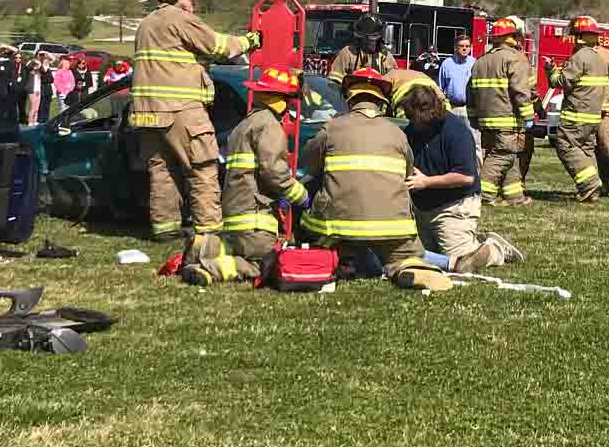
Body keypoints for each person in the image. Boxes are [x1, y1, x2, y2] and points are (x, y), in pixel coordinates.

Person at [128, 0, 257, 255]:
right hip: (180, 110)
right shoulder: (180, 19)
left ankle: (165, 228)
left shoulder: (147, 23)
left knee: (162, 170)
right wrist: (251, 40)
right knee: (202, 167)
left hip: (147, 113)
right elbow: (219, 46)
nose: (195, 3)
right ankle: (209, 230)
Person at [298, 69, 448, 291]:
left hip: (341, 224)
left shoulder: (332, 128)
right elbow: (408, 174)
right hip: (393, 227)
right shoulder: (397, 133)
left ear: (350, 98)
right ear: (381, 101)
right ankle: (407, 266)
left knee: (318, 226)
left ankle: (342, 258)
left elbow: (309, 163)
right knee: (404, 254)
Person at [182, 65, 310, 286]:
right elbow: (274, 171)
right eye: (289, 100)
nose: (289, 106)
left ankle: (204, 246)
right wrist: (300, 196)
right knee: (264, 263)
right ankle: (208, 269)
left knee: (239, 247)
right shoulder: (269, 125)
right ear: (280, 100)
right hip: (255, 221)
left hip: (235, 218)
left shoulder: (243, 126)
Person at [401, 80, 502, 273]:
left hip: (454, 206)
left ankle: (495, 250)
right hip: (423, 210)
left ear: (427, 113)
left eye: (412, 117)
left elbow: (466, 177)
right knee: (424, 257)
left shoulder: (456, 131)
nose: (410, 120)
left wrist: (426, 182)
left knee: (460, 262)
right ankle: (474, 240)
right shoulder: (413, 129)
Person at [546, 17, 609, 202]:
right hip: (595, 114)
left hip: (602, 114)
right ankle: (600, 187)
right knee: (591, 150)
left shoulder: (603, 56)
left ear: (580, 36)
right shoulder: (593, 56)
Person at [467, 17, 538, 206]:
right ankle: (484, 195)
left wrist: (474, 118)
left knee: (507, 155)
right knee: (503, 155)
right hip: (506, 119)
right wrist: (528, 115)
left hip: (485, 121)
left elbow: (470, 92)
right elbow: (520, 90)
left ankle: (515, 196)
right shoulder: (515, 58)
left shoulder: (480, 61)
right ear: (511, 37)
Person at [327, 13, 395, 81]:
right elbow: (334, 78)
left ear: (379, 37)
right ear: (360, 37)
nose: (369, 41)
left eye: (373, 37)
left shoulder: (385, 55)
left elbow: (394, 78)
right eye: (366, 38)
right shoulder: (348, 53)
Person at [435, 34, 475, 118]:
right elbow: (440, 88)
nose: (464, 48)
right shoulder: (447, 64)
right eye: (461, 46)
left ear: (470, 47)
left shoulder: (474, 63)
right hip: (451, 108)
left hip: (469, 109)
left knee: (470, 131)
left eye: (467, 46)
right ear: (456, 47)